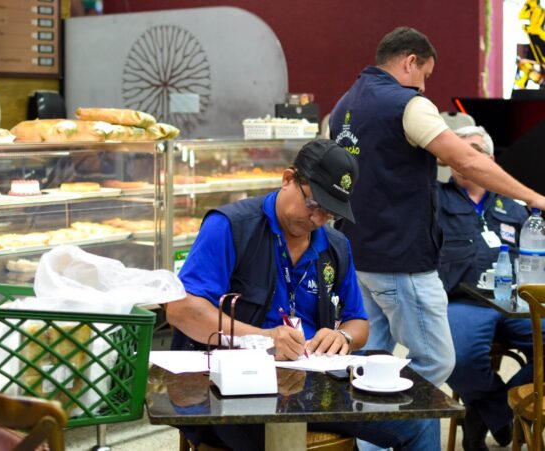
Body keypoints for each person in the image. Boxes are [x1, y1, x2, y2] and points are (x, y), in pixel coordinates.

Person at [167, 139, 439, 451]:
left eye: (330, 212)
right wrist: (262, 338)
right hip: (232, 383)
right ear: (288, 179)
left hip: (312, 382)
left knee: (420, 416)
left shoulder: (335, 245)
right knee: (281, 438)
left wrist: (344, 339)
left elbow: (358, 323)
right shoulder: (231, 227)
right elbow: (181, 310)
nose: (317, 219)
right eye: (313, 205)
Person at [329, 26, 545, 387]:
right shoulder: (407, 104)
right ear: (411, 61)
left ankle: (375, 441)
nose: (425, 88)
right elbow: (468, 162)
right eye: (425, 76)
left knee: (369, 364)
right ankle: (406, 432)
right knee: (436, 361)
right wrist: (534, 197)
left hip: (356, 254)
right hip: (401, 260)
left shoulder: (344, 106)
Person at [438, 125, 538, 451]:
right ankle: (500, 411)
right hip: (463, 301)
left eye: (474, 153)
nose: (465, 160)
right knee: (456, 356)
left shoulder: (514, 205)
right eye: (458, 152)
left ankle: (485, 409)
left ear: (490, 159)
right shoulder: (434, 200)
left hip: (517, 303)